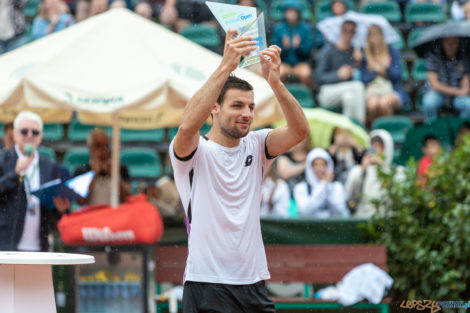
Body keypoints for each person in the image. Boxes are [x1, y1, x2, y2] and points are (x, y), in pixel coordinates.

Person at [169, 30, 309, 312]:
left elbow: (300, 131)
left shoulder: (256, 144)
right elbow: (186, 126)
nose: (247, 113)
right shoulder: (194, 150)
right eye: (237, 105)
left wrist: (275, 83)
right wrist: (225, 66)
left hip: (252, 284)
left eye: (251, 107)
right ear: (214, 109)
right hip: (206, 284)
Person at [0, 111, 70, 251]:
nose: (30, 135)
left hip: (39, 247)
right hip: (6, 246)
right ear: (14, 134)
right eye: (24, 131)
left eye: (35, 132)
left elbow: (50, 206)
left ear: (41, 136)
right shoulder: (3, 160)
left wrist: (60, 209)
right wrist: (15, 174)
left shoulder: (49, 165)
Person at [316, 20, 366, 125]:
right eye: (345, 30)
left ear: (354, 34)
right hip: (327, 92)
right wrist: (337, 75)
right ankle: (362, 123)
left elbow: (363, 76)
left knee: (349, 98)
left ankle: (347, 129)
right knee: (358, 86)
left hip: (345, 91)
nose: (348, 34)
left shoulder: (355, 52)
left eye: (351, 31)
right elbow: (318, 78)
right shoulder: (328, 50)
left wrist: (359, 62)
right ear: (340, 31)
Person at [360, 24, 410, 127]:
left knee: (384, 103)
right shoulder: (364, 55)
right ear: (368, 37)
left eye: (377, 34)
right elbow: (363, 79)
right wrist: (374, 71)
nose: (375, 37)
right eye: (372, 34)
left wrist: (386, 68)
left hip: (392, 89)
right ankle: (376, 132)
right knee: (372, 104)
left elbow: (397, 76)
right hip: (372, 90)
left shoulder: (392, 52)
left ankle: (388, 131)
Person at [345, 129, 396, 218]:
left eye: (380, 146)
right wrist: (362, 171)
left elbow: (395, 196)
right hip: (361, 219)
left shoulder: (396, 172)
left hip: (385, 219)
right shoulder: (357, 170)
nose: (376, 150)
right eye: (373, 146)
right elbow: (349, 195)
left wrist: (382, 167)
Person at [73, 128, 131, 205]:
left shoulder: (120, 168)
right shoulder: (81, 171)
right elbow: (80, 201)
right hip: (91, 215)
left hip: (114, 215)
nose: (102, 149)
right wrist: (93, 175)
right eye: (98, 145)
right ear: (89, 147)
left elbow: (128, 198)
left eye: (106, 145)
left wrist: (114, 175)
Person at [422, 36, 470, 122]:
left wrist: (464, 90)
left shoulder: (464, 55)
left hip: (457, 96)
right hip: (438, 93)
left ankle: (461, 130)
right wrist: (457, 91)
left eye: (454, 43)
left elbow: (465, 82)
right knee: (429, 103)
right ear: (443, 42)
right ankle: (433, 131)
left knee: (468, 105)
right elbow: (435, 84)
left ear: (458, 42)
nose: (451, 46)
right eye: (449, 43)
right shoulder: (433, 54)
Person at [293, 148, 350, 218]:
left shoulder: (337, 187)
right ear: (310, 167)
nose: (320, 169)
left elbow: (338, 211)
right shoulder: (301, 187)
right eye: (316, 165)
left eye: (323, 165)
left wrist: (327, 187)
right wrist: (322, 185)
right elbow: (305, 212)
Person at [271, 0, 313, 88]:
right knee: (279, 74)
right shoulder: (279, 28)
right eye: (289, 11)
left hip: (300, 63)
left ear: (298, 13)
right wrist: (284, 48)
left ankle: (306, 98)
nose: (292, 14)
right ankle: (278, 98)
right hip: (283, 63)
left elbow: (308, 52)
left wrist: (298, 47)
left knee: (305, 74)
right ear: (285, 13)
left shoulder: (305, 28)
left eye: (294, 11)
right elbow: (274, 51)